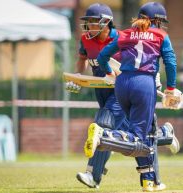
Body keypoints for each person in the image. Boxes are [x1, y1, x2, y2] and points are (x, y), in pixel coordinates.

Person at [84, 2, 183, 192]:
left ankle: (149, 181)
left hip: (122, 84)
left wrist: (108, 74)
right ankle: (104, 135)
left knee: (146, 131)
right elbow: (170, 62)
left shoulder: (126, 33)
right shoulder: (161, 35)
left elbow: (104, 56)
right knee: (139, 137)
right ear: (157, 21)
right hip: (144, 84)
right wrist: (171, 88)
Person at [65, 3, 129, 189]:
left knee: (102, 127)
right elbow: (82, 60)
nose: (89, 26)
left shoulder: (122, 39)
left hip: (121, 91)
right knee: (130, 132)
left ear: (106, 22)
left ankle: (93, 175)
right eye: (88, 22)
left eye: (94, 22)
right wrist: (77, 78)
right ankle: (164, 134)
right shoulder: (86, 40)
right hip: (100, 91)